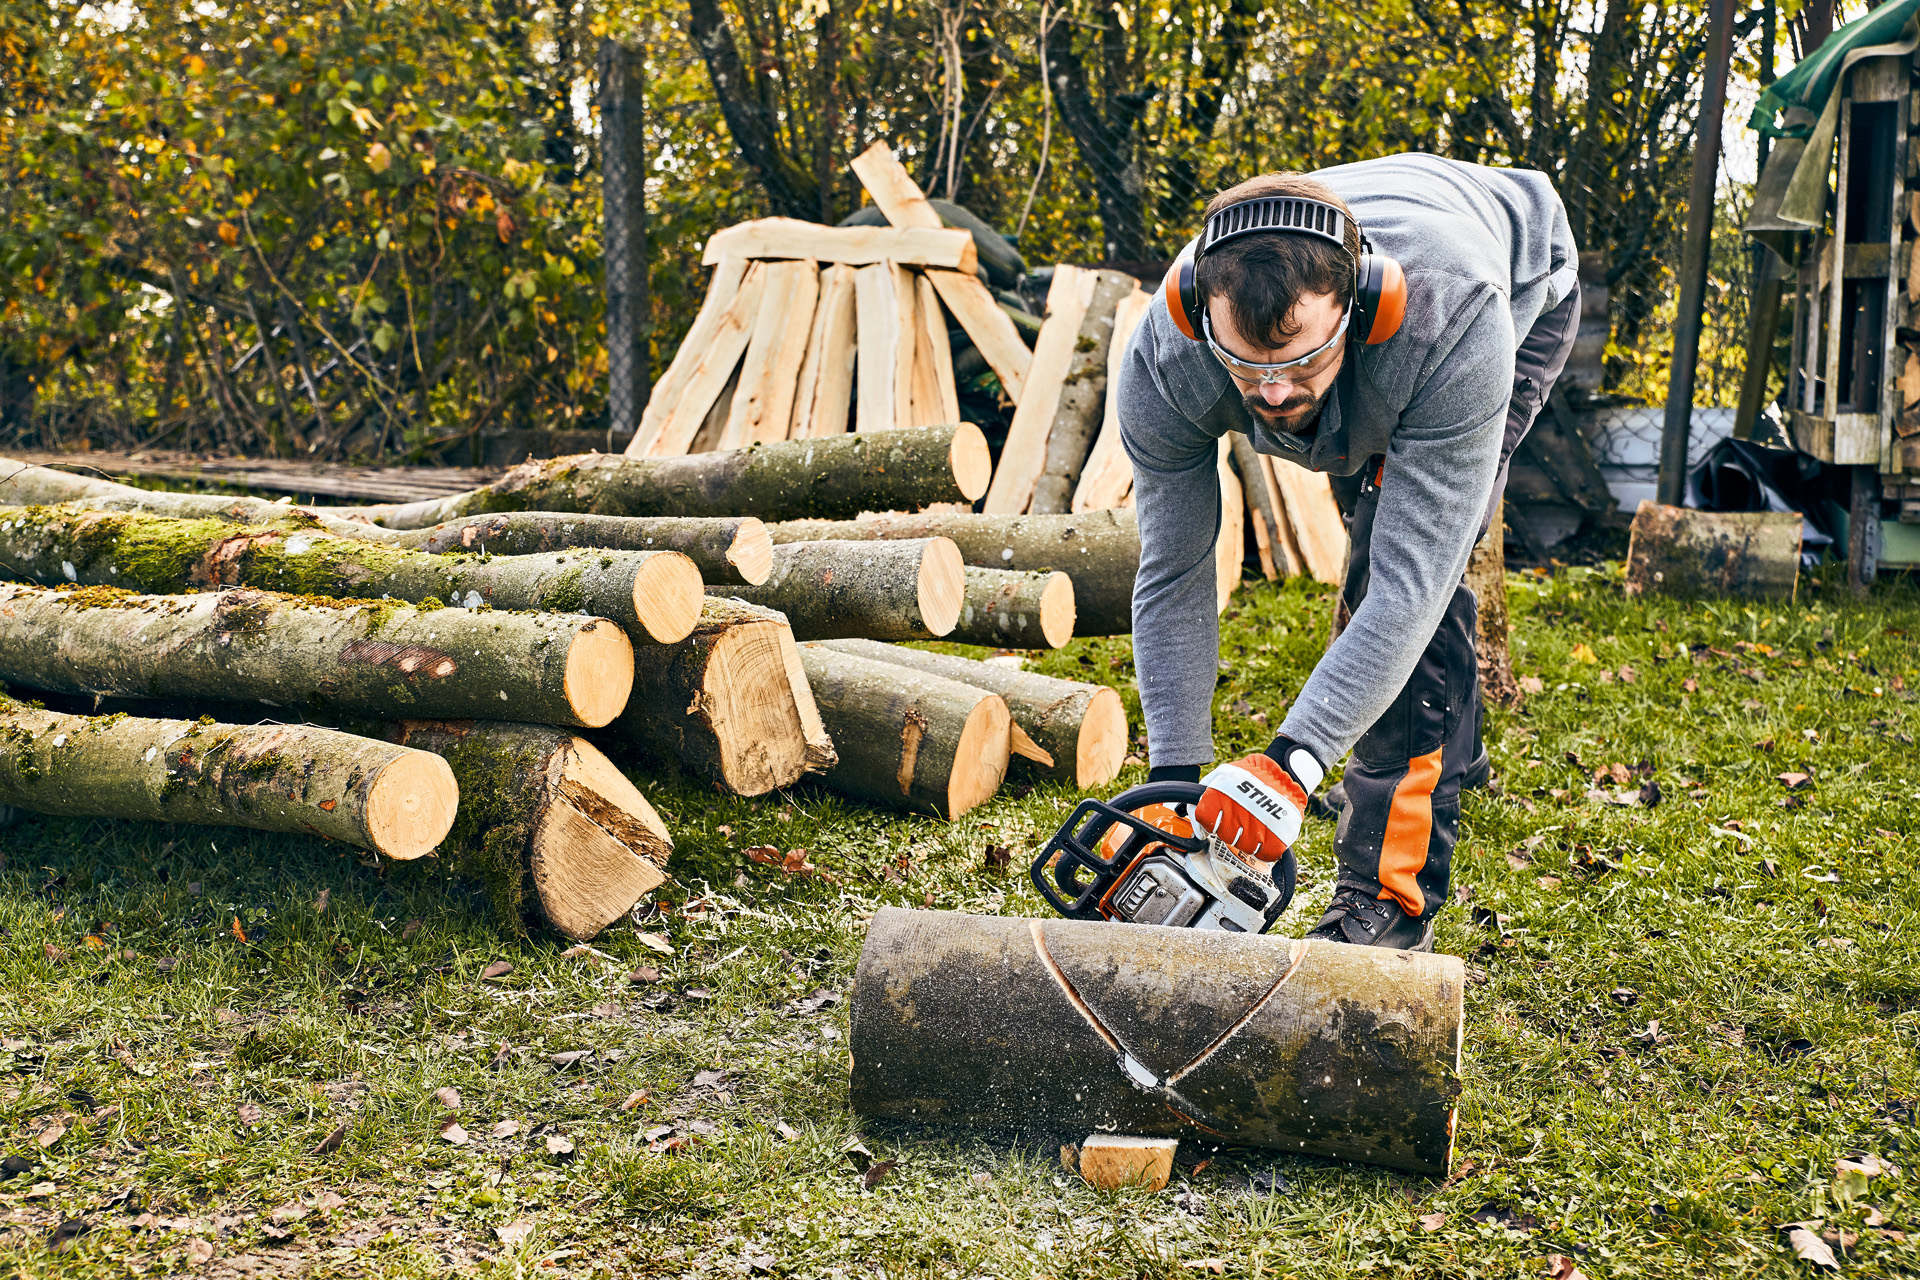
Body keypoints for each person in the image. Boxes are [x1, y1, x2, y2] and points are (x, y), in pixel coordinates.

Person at [1117, 154, 1580, 951]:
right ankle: (1447, 754)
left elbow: (1410, 584)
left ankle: (1387, 896)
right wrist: (1176, 781)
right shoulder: (1167, 359)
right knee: (1373, 528)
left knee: (1406, 577)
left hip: (1523, 273)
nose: (1270, 394)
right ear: (1196, 312)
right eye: (1245, 364)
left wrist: (1292, 762)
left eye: (1298, 361)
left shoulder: (1452, 321)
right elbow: (1173, 572)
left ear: (1365, 306)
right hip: (1380, 345)